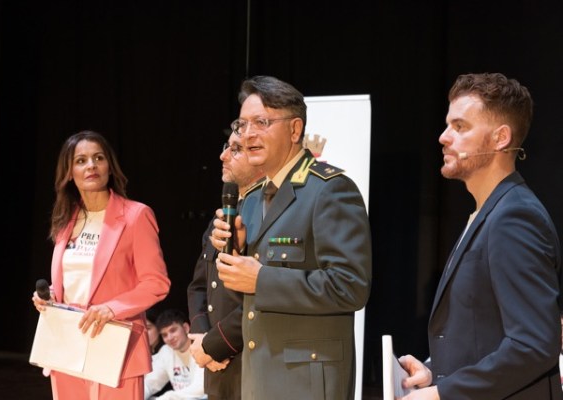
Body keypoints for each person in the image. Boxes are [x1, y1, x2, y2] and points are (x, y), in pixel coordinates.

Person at [398, 73, 562, 399]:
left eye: (460, 127)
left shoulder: (514, 217)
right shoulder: (492, 211)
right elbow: (483, 333)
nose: (443, 137)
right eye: (448, 125)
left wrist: (443, 393)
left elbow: (533, 345)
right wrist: (434, 373)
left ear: (501, 138)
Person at [211, 76, 372, 399]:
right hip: (259, 378)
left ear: (295, 130)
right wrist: (236, 251)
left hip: (306, 382)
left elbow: (350, 287)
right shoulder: (252, 198)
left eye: (261, 122)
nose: (248, 134)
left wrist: (261, 279)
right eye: (242, 124)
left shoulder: (330, 190)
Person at [32, 130, 171, 399]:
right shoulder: (66, 220)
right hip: (67, 345)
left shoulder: (136, 215)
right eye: (80, 160)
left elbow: (156, 283)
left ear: (109, 166)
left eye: (98, 158)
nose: (91, 166)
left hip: (116, 346)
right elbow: (77, 281)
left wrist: (111, 308)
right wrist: (51, 298)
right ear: (69, 173)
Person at [186, 132, 264, 399]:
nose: (223, 156)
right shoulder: (220, 218)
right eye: (225, 147)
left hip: (250, 361)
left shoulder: (270, 217)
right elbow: (198, 286)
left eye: (236, 149)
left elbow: (266, 296)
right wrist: (201, 337)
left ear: (259, 157)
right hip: (217, 367)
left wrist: (214, 345)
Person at [144, 309, 207, 400]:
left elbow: (200, 388)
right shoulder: (166, 351)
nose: (169, 338)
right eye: (165, 335)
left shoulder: (199, 347)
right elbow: (150, 384)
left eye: (173, 330)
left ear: (185, 328)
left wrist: (168, 397)